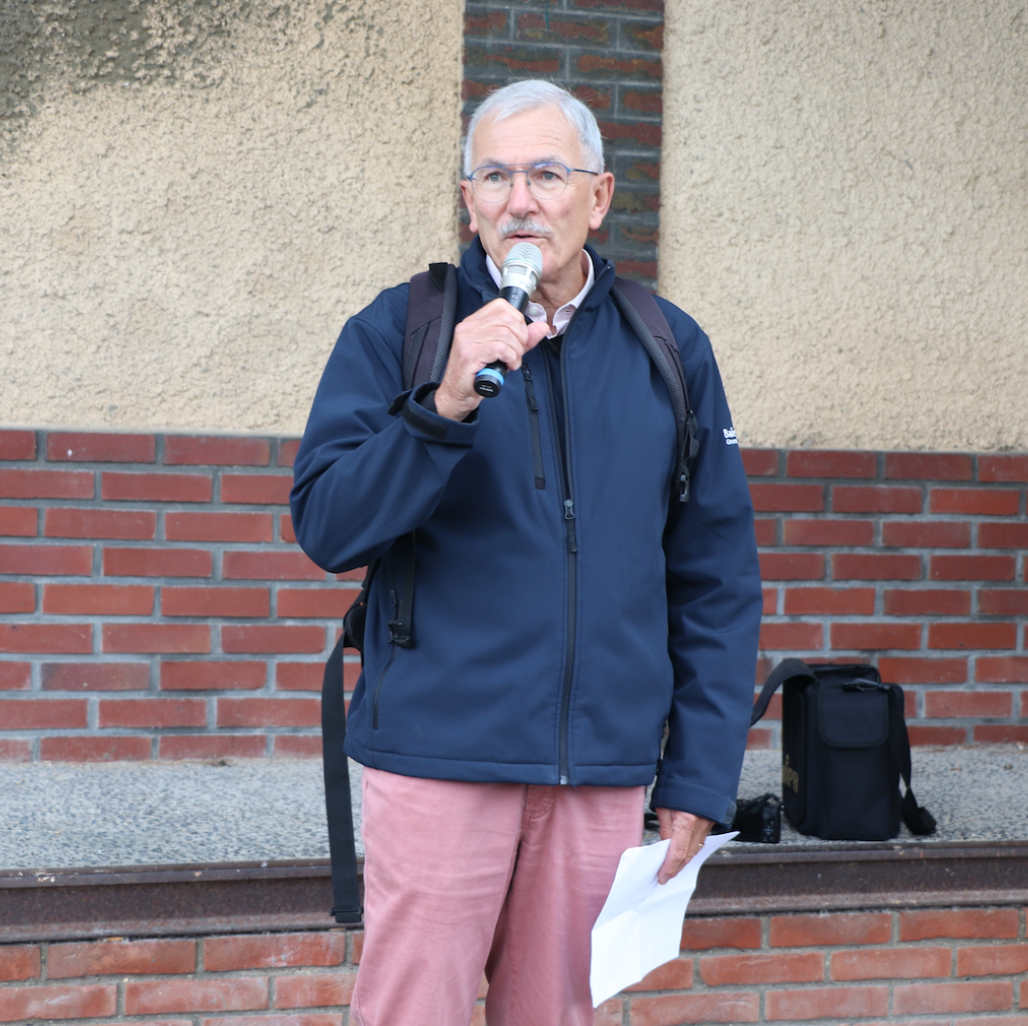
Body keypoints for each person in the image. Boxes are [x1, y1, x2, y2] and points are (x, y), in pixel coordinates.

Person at [290, 80, 761, 1026]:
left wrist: (700, 774)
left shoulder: (668, 347)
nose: (520, 199)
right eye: (495, 176)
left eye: (547, 173)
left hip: (599, 770)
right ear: (467, 199)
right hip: (438, 758)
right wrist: (444, 407)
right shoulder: (402, 331)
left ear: (599, 197)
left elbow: (714, 578)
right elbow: (329, 527)